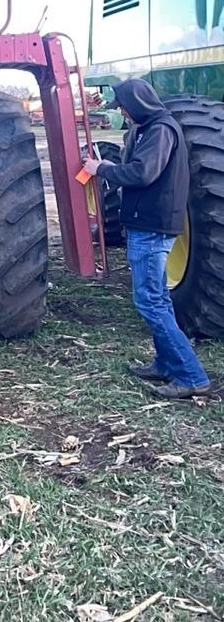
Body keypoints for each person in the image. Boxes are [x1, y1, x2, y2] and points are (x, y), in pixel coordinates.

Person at [83, 78, 210, 399]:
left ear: (137, 104)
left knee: (150, 301)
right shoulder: (152, 129)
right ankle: (166, 364)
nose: (122, 113)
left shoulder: (160, 130)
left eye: (123, 107)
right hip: (149, 223)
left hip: (152, 227)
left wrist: (102, 169)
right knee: (158, 299)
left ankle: (190, 375)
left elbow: (143, 173)